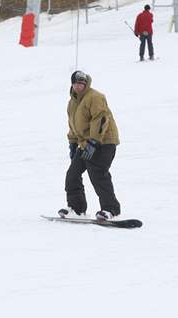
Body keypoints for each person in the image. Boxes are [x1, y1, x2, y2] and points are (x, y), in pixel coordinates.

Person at [59, 71, 121, 221]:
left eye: (82, 83)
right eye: (76, 83)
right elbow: (73, 125)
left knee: (98, 173)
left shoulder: (95, 97)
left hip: (104, 142)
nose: (79, 86)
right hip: (85, 144)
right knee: (72, 174)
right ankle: (76, 208)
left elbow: (101, 119)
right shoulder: (72, 102)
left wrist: (94, 141)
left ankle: (110, 209)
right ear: (72, 84)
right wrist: (73, 143)